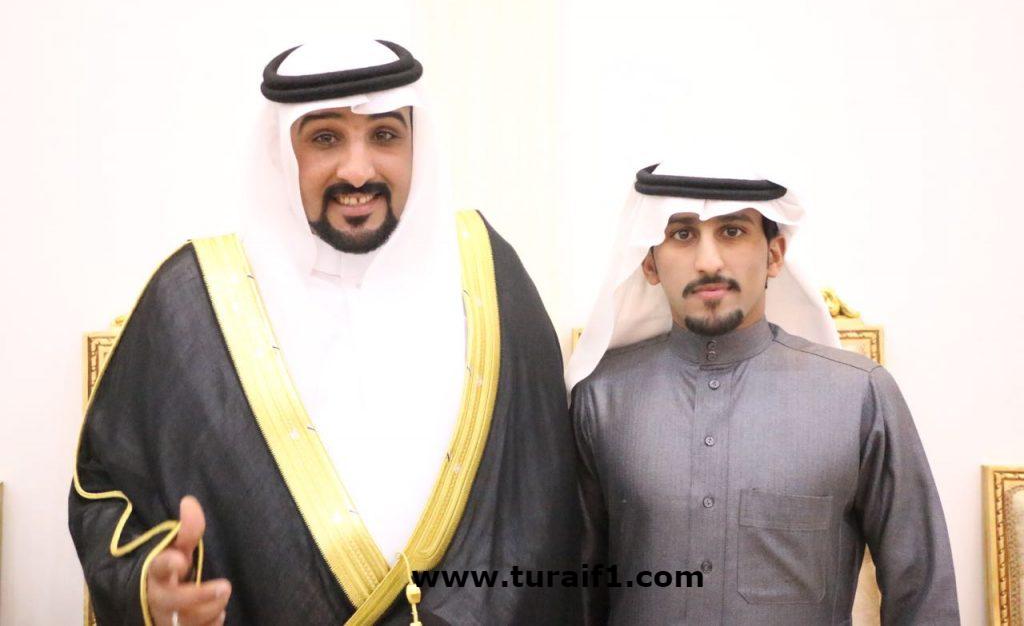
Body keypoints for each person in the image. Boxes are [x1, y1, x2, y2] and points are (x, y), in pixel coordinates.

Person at [70, 39, 581, 625]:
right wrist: (147, 585)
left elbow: (545, 501)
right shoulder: (195, 299)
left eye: (384, 135)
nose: (357, 170)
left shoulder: (486, 274)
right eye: (325, 138)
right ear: (282, 153)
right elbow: (106, 487)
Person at [567, 163, 959, 624]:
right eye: (682, 235)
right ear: (650, 263)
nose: (708, 261)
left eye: (732, 231)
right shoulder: (601, 401)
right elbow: (574, 595)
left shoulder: (859, 396)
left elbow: (922, 592)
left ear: (774, 255)